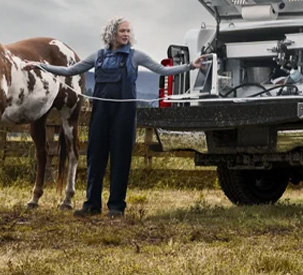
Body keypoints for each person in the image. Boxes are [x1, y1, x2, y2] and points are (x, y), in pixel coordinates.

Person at [24, 17, 202, 218]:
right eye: (122, 31)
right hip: (100, 113)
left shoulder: (135, 57)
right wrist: (40, 66)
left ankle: (116, 206)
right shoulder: (98, 57)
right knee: (95, 156)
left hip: (123, 115)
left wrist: (190, 66)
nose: (126, 34)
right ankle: (92, 204)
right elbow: (70, 70)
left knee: (120, 158)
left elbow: (162, 70)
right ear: (111, 34)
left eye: (128, 31)